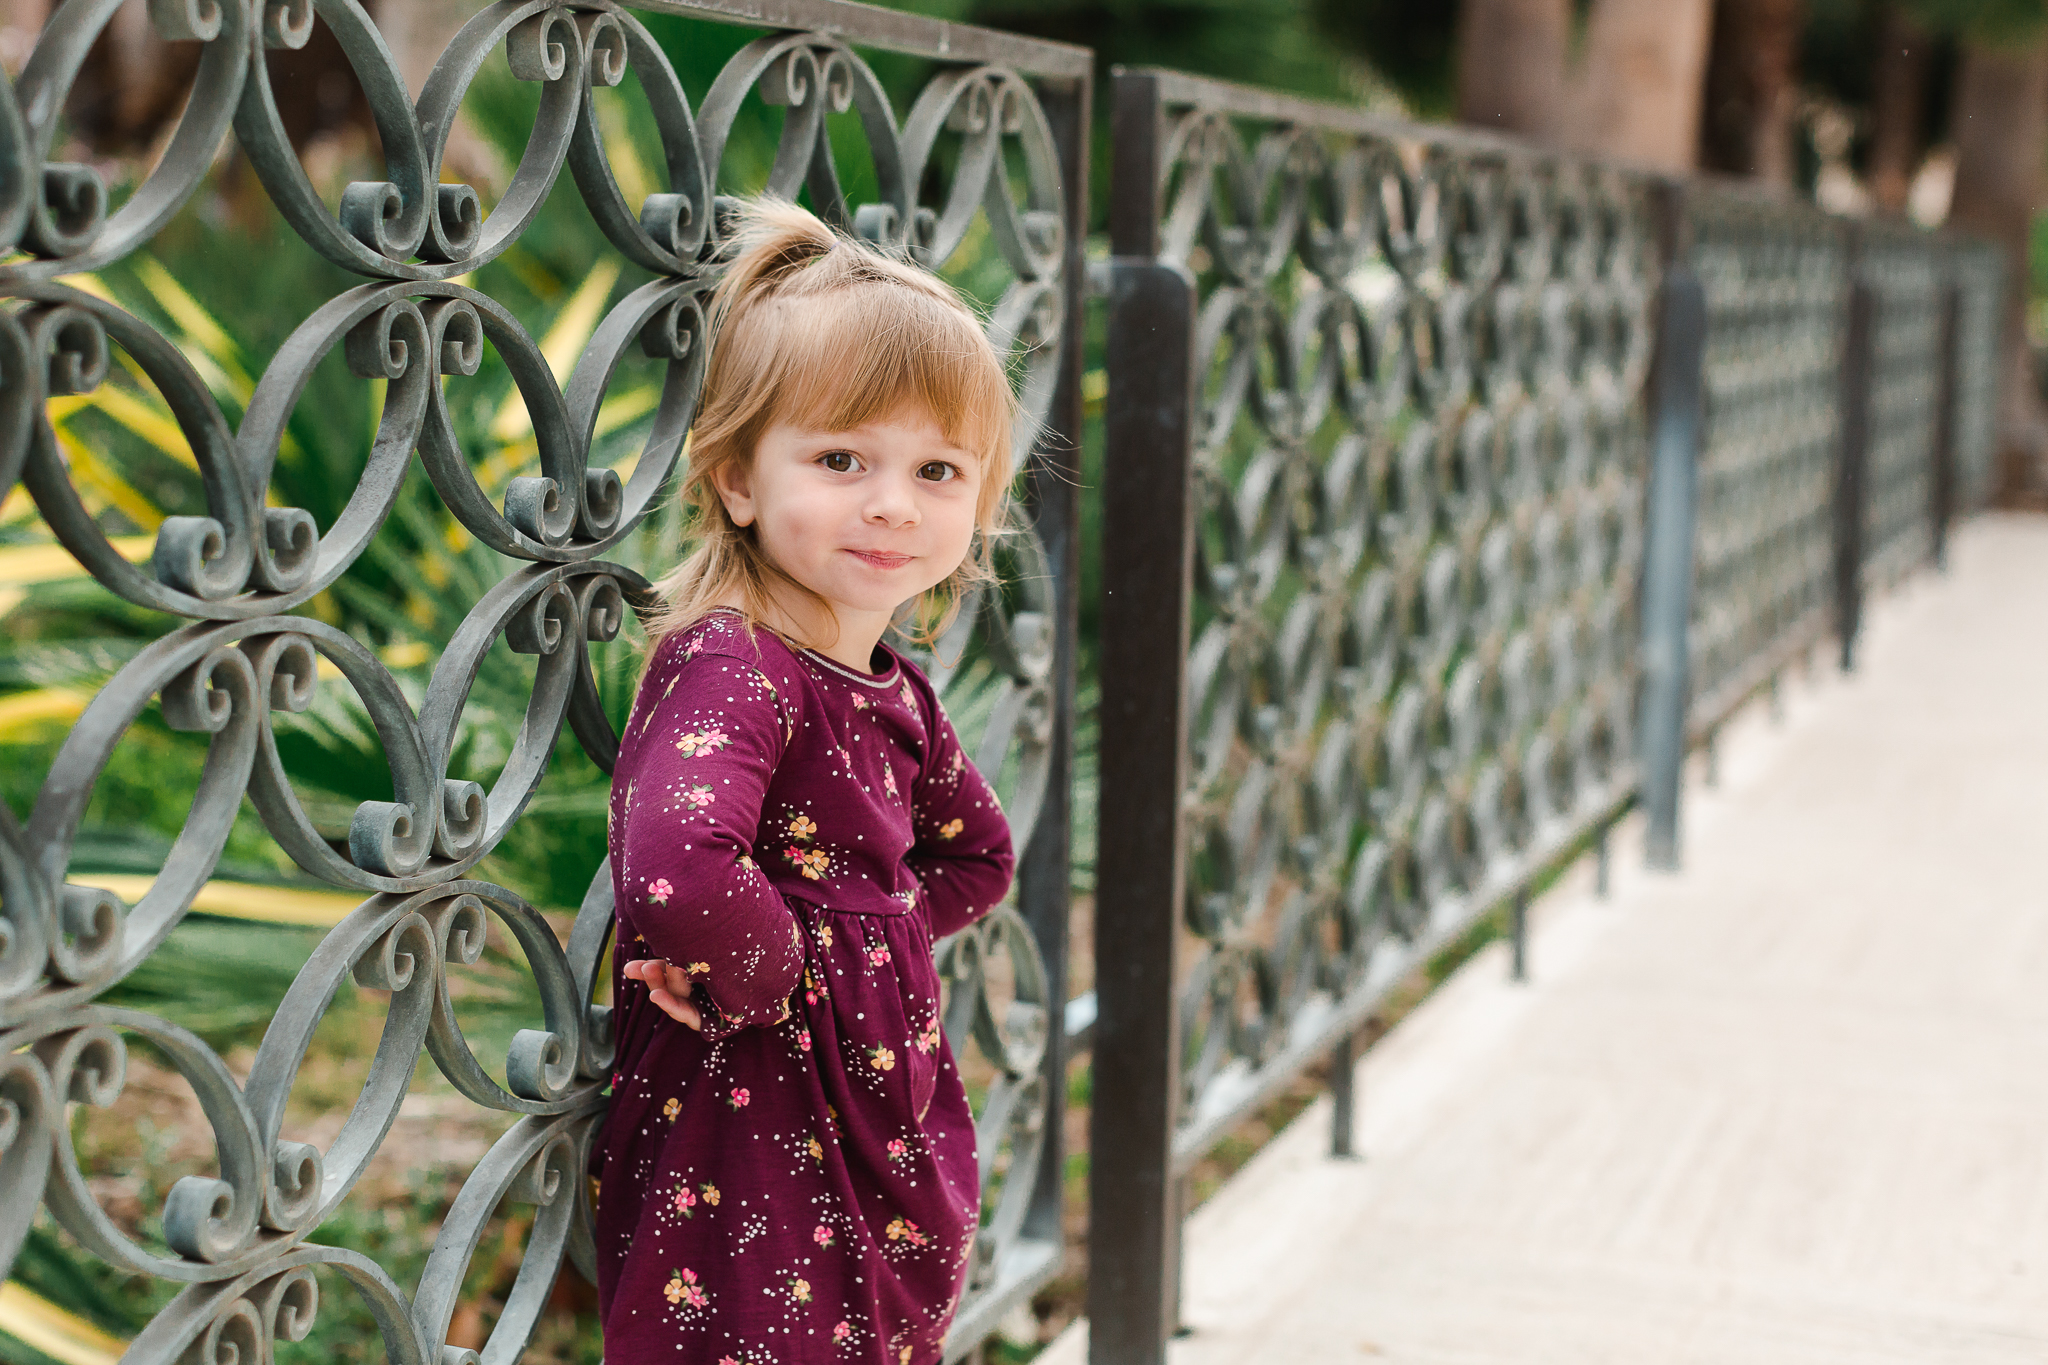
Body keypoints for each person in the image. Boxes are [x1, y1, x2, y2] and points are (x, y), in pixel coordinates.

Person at [593, 196, 1017, 1365]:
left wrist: (871, 942)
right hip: (753, 1104)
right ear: (734, 479)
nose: (891, 501)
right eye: (841, 459)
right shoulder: (739, 665)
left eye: (937, 469)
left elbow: (977, 859)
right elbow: (677, 862)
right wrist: (772, 973)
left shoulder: (894, 686)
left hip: (881, 1101)